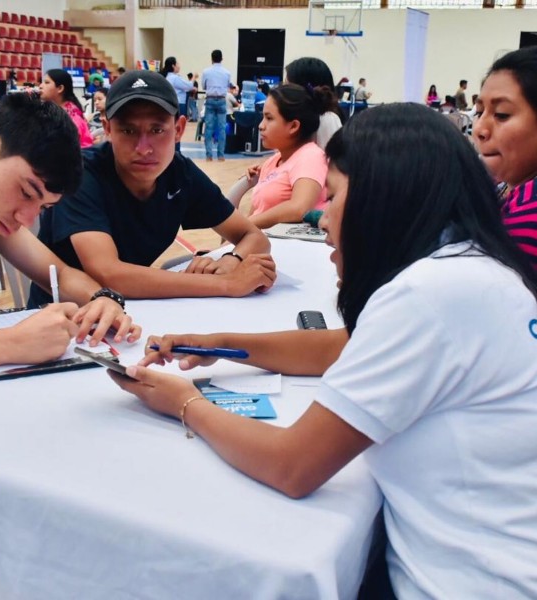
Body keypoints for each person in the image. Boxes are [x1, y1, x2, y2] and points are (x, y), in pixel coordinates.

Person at [110, 102, 537, 599]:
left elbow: (292, 466)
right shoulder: (469, 271)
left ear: (381, 199)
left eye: (333, 196)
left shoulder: (428, 296)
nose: (323, 219)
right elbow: (343, 348)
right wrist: (223, 344)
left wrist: (184, 403)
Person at [0, 93, 139, 381]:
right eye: (26, 192)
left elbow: (61, 275)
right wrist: (11, 342)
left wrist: (103, 300)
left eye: (43, 207)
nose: (27, 219)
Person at [30, 70, 275, 306]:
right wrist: (227, 284)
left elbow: (254, 237)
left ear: (178, 129)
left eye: (157, 130)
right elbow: (108, 274)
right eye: (128, 131)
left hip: (134, 309)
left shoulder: (180, 173)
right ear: (108, 129)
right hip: (62, 315)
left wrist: (232, 259)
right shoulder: (81, 173)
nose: (143, 148)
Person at [473, 46, 537, 270]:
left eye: (501, 115)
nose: (479, 129)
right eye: (479, 112)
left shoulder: (527, 220)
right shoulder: (503, 186)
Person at [243, 83, 329, 229]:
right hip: (258, 239)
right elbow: (256, 213)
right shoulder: (272, 162)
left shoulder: (311, 157)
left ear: (293, 126)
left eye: (269, 118)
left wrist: (244, 225)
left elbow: (300, 208)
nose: (261, 126)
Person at [285, 56, 344, 150]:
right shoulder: (294, 117)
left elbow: (330, 156)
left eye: (288, 86)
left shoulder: (326, 119)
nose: (283, 90)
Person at [39, 69, 93, 148]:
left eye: (47, 82)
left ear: (60, 88)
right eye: (42, 82)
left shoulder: (72, 117)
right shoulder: (49, 110)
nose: (40, 86)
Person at [202, 49, 231, 162]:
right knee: (222, 128)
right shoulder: (227, 73)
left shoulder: (206, 72)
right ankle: (221, 155)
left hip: (210, 99)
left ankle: (209, 155)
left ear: (211, 59)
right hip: (222, 100)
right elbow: (228, 85)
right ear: (222, 59)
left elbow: (203, 86)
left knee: (209, 128)